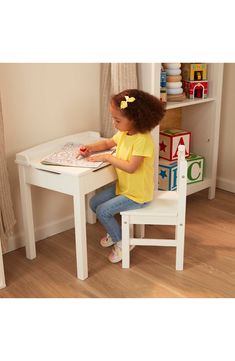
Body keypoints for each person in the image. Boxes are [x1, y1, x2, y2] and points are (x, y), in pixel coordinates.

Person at [78, 89, 165, 263]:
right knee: (94, 203)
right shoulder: (125, 133)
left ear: (135, 119)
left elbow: (131, 167)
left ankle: (122, 242)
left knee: (103, 211)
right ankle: (116, 232)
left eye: (117, 120)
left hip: (138, 194)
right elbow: (108, 142)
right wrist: (91, 148)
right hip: (124, 188)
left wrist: (107, 157)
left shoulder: (143, 140)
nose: (114, 123)